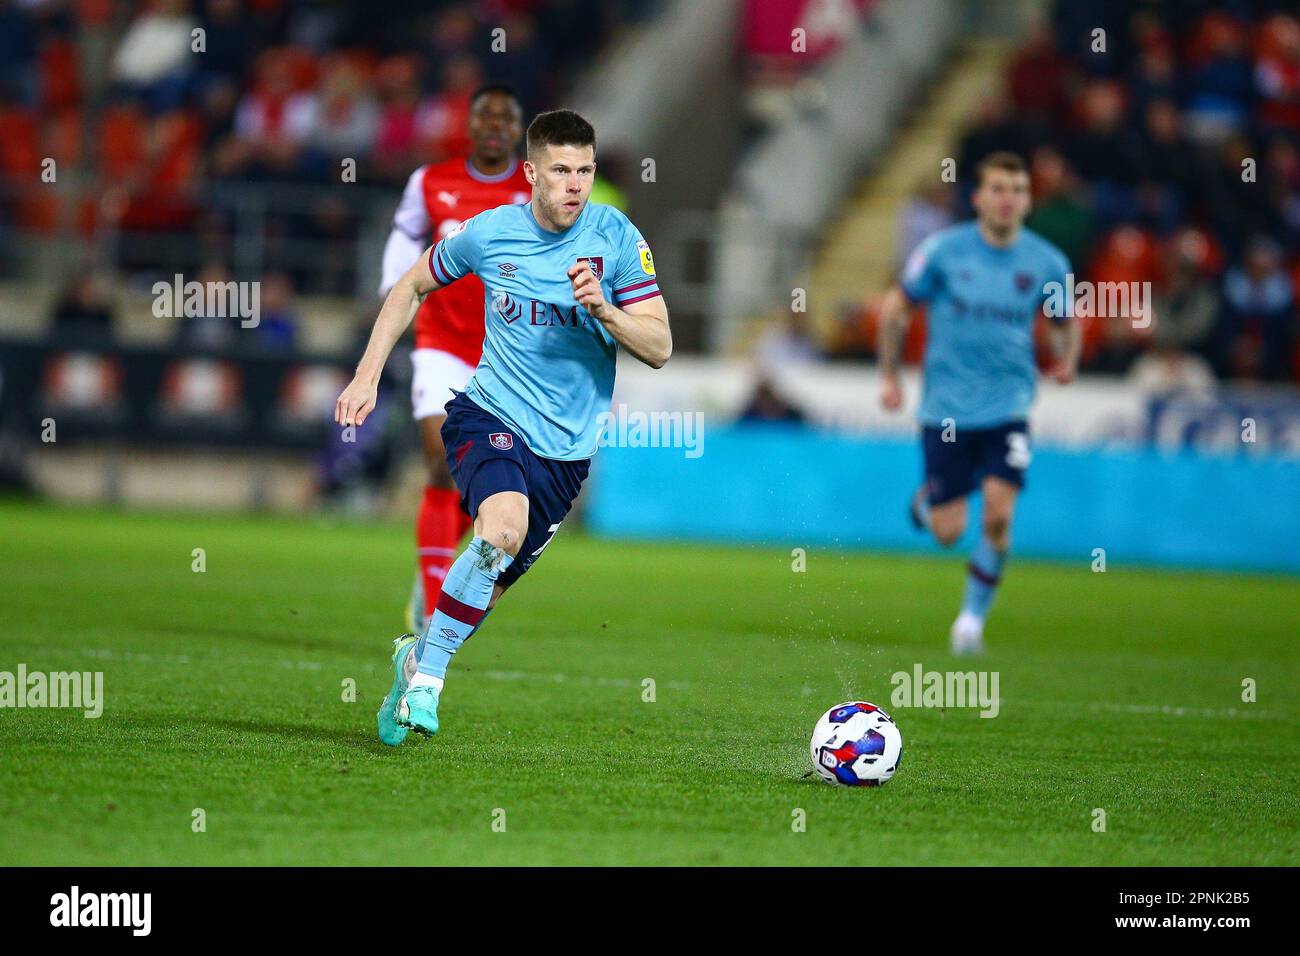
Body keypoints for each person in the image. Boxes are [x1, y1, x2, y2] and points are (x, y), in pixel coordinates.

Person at [336, 109, 671, 743]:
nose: (575, 185)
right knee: (501, 529)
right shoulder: (490, 233)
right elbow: (410, 285)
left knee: (485, 586)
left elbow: (658, 346)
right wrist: (367, 375)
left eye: (585, 171)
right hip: (489, 413)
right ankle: (430, 684)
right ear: (531, 173)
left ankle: (414, 658)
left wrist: (604, 309)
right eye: (561, 171)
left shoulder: (618, 238)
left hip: (566, 453)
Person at [875, 151, 1079, 655]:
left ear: (1029, 200)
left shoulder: (1048, 263)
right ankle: (931, 498)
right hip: (944, 411)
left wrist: (1066, 358)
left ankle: (969, 622)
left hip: (1008, 409)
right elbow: (897, 307)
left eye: (1018, 190)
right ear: (978, 198)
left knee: (997, 515)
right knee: (948, 532)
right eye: (999, 189)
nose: (1008, 199)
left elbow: (1063, 322)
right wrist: (890, 375)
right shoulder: (943, 252)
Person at [378, 84, 531, 634]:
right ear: (469, 125)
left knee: (482, 477)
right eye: (485, 116)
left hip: (508, 355)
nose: (494, 125)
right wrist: (392, 290)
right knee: (442, 457)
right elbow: (404, 236)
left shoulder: (531, 188)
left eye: (505, 117)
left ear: (518, 130)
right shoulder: (431, 181)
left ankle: (440, 565)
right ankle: (431, 590)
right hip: (441, 341)